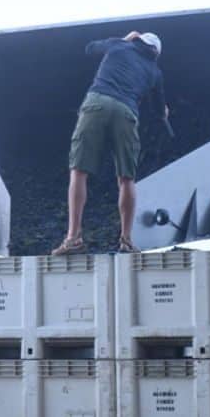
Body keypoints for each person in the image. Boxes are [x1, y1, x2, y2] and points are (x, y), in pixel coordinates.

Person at [52, 31, 168, 256]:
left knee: (78, 171)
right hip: (127, 112)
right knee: (127, 179)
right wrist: (163, 111)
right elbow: (159, 112)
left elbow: (90, 47)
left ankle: (73, 238)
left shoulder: (119, 46)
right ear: (155, 53)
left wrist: (125, 39)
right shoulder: (155, 72)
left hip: (97, 102)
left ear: (138, 40)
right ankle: (126, 240)